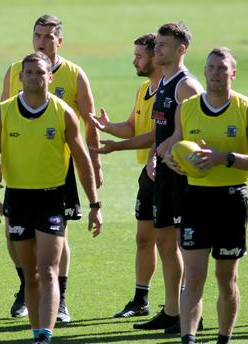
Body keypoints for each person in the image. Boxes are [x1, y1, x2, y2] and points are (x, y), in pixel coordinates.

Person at [0, 51, 103, 344]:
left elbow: (82, 159)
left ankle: (43, 339)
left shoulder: (63, 112)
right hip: (18, 198)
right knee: (30, 275)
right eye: (29, 73)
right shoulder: (6, 111)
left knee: (48, 269)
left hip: (52, 198)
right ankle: (36, 335)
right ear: (20, 77)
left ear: (50, 77)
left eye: (41, 73)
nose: (35, 78)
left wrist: (94, 204)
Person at [162, 48, 248, 344]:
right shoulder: (187, 108)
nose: (214, 73)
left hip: (231, 201)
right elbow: (174, 146)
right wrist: (174, 161)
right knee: (193, 277)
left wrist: (225, 158)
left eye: (222, 68)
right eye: (210, 67)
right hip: (195, 199)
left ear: (232, 73)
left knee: (227, 279)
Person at [0, 14, 102, 322]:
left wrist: (94, 163)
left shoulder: (73, 74)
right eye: (37, 35)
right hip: (19, 168)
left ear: (60, 40)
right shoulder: (17, 70)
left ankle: (61, 297)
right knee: (12, 234)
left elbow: (89, 121)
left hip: (60, 167)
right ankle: (26, 287)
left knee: (58, 236)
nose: (42, 41)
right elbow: (3, 120)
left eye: (48, 36)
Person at [135, 22, 203, 333]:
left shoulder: (186, 86)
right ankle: (172, 309)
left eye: (163, 45)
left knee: (184, 244)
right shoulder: (164, 81)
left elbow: (201, 129)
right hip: (163, 172)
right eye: (157, 44)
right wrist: (154, 154)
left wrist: (181, 154)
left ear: (181, 49)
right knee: (164, 240)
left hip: (181, 177)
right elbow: (163, 131)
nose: (156, 49)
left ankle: (193, 315)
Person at [89, 34, 160, 318]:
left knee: (172, 242)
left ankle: (179, 305)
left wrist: (116, 147)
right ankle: (141, 299)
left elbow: (156, 135)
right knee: (144, 238)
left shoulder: (173, 89)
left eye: (139, 56)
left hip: (170, 173)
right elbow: (133, 127)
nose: (135, 60)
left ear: (155, 57)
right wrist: (107, 127)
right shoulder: (144, 89)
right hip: (149, 172)